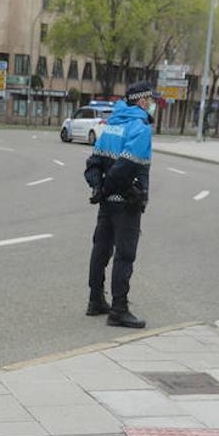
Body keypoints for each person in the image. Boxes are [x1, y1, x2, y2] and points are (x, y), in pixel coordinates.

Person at [84, 81, 155, 328]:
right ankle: (119, 308)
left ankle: (95, 300)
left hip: (107, 203)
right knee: (125, 255)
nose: (152, 105)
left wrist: (98, 188)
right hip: (127, 202)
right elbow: (126, 167)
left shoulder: (111, 125)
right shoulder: (140, 128)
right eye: (151, 100)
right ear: (143, 101)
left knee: (101, 249)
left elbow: (93, 163)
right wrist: (112, 189)